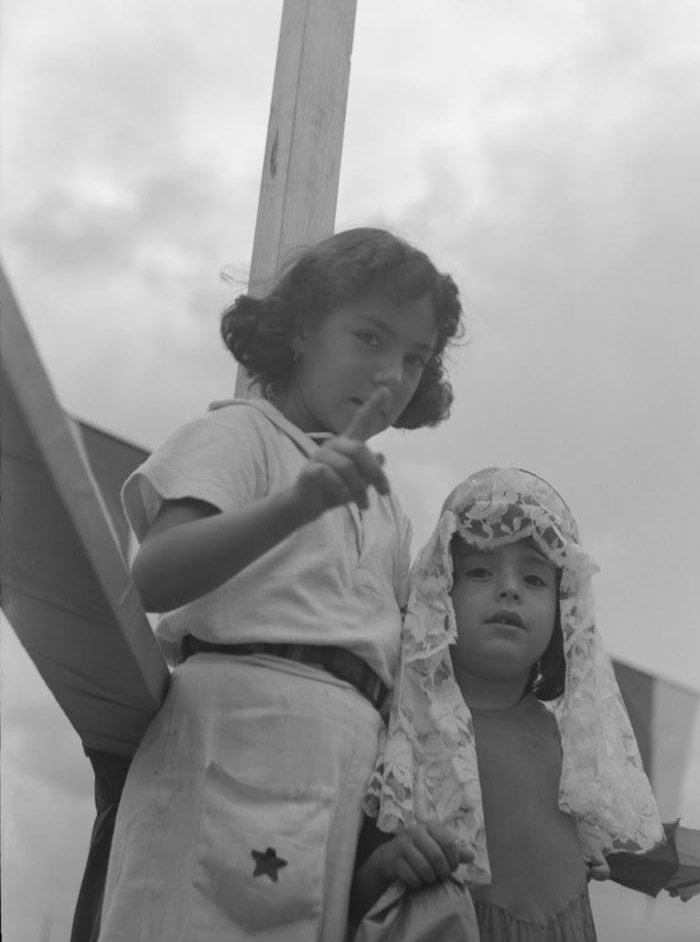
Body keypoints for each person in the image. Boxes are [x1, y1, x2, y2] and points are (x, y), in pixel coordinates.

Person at [97, 227, 463, 942]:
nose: (391, 375)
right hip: (229, 744)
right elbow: (152, 575)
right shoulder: (241, 435)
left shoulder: (385, 504)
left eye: (415, 358)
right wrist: (294, 505)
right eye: (369, 337)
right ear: (300, 330)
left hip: (337, 773)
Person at [354, 466, 664, 940]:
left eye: (536, 579)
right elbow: (339, 894)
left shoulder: (569, 748)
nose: (510, 588)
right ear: (438, 594)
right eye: (479, 570)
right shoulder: (399, 726)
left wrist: (577, 843)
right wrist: (388, 864)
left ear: (564, 614)